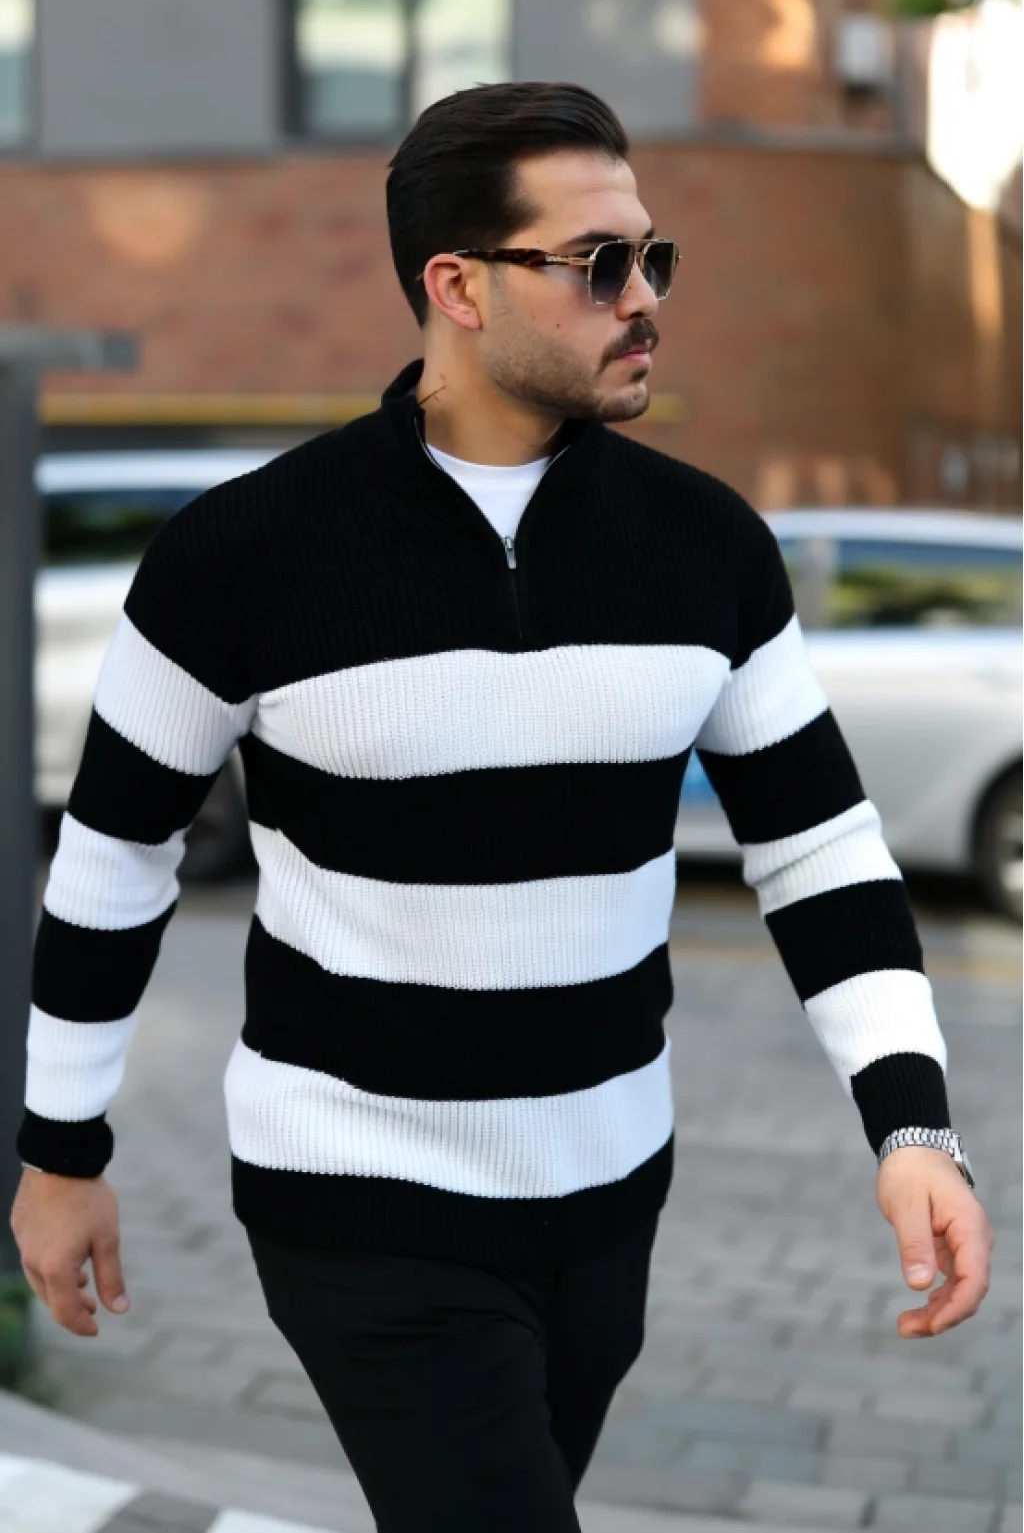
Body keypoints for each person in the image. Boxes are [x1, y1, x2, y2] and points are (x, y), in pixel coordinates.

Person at [12, 82, 992, 1533]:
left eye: (654, 257)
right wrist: (60, 1154)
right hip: (359, 1200)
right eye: (598, 264)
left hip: (609, 1197)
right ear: (457, 286)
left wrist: (914, 1130)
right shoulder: (239, 556)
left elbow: (820, 853)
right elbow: (113, 862)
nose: (644, 297)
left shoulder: (706, 545)